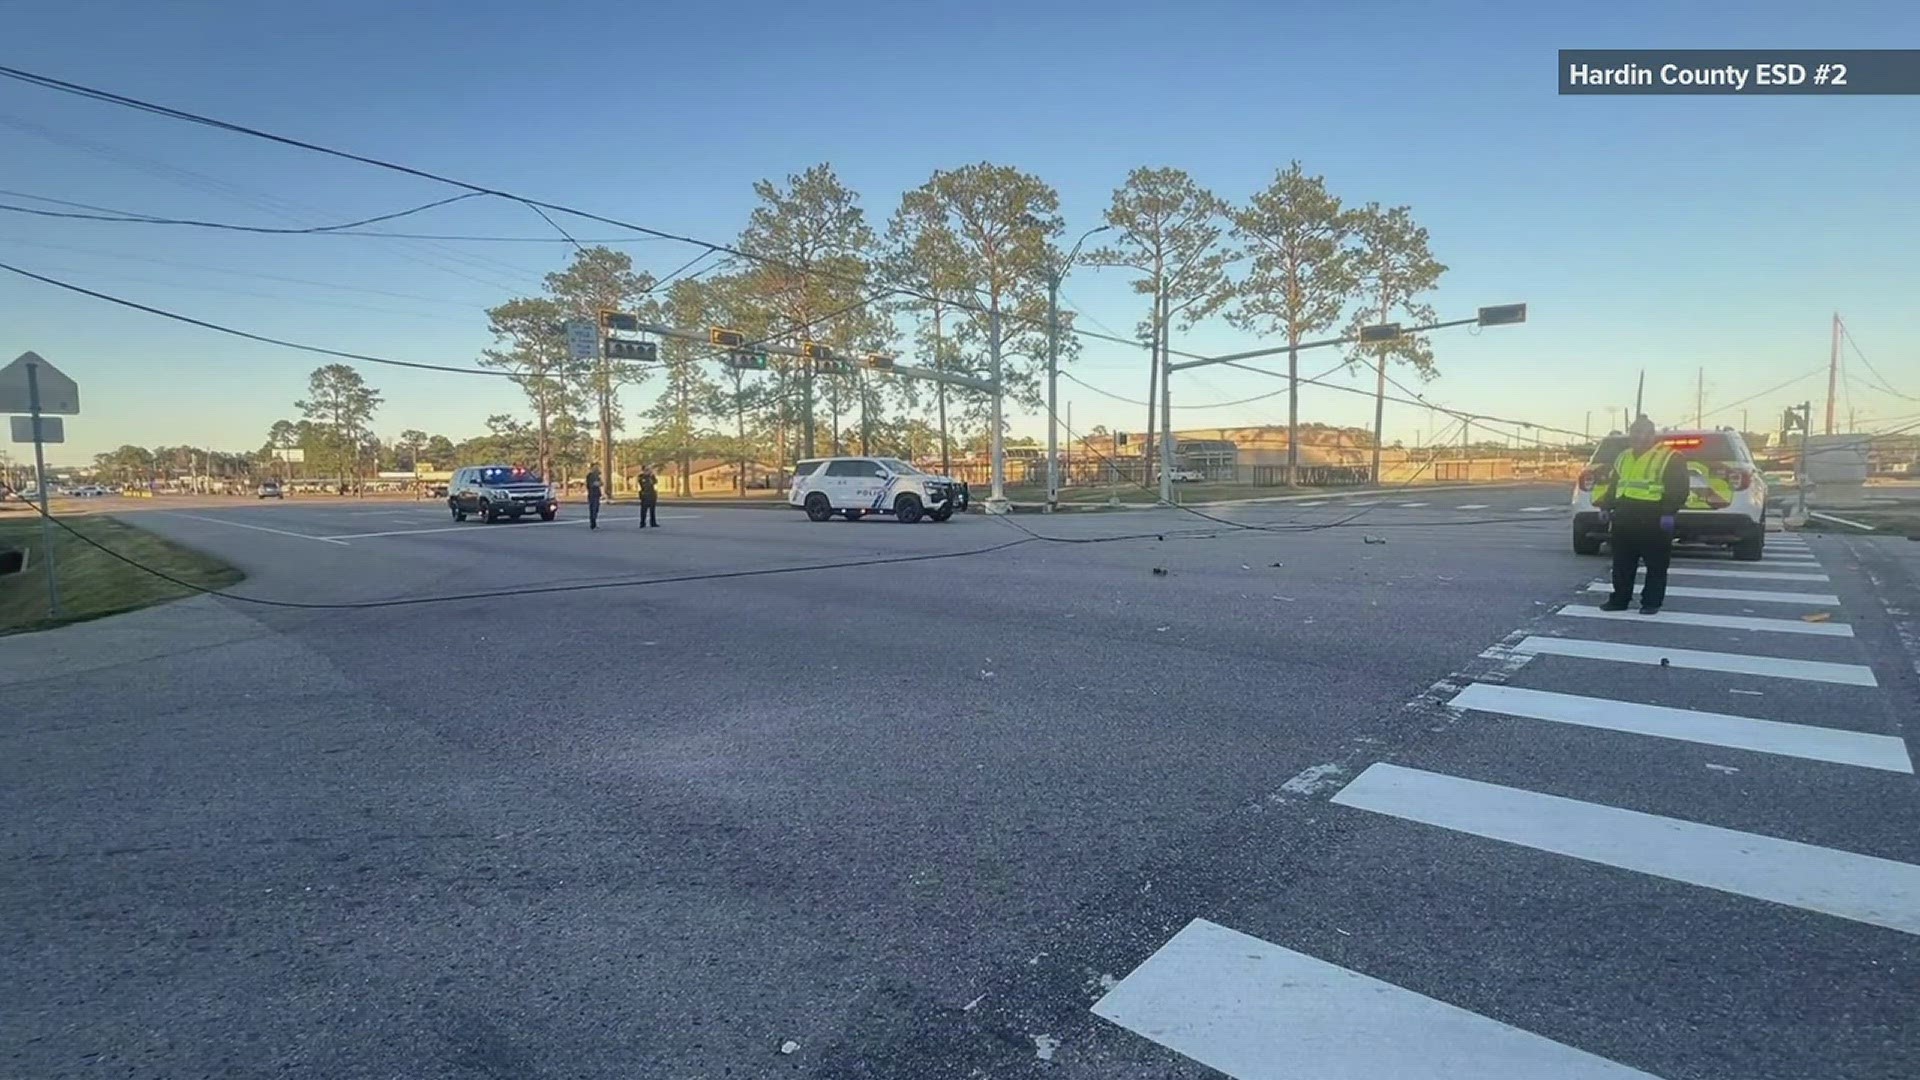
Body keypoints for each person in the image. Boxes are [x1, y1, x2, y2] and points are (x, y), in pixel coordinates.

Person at [1594, 415, 1691, 614]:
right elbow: (1615, 486)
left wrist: (1668, 512)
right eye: (1635, 433)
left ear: (1652, 435)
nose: (1638, 437)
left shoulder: (1670, 457)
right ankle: (1619, 600)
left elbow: (1678, 488)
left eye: (1643, 433)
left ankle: (1651, 602)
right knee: (1622, 563)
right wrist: (1605, 506)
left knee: (1656, 564)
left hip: (1654, 517)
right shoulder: (1624, 457)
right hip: (1624, 516)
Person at [585, 466, 603, 530]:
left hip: (596, 494)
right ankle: (593, 524)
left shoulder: (597, 477)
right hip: (592, 494)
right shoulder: (590, 476)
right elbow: (590, 485)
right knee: (593, 509)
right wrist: (596, 484)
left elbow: (601, 483)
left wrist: (598, 483)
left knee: (596, 509)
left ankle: (594, 523)